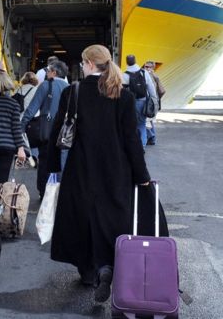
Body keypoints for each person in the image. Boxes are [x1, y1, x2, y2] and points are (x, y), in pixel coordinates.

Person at [46, 44, 151, 303]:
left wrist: (52, 167)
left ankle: (88, 271)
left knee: (82, 217)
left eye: (83, 63)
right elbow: (131, 140)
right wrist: (142, 175)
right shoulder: (122, 95)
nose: (82, 67)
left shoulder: (74, 92)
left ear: (90, 64)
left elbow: (57, 131)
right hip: (116, 170)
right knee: (112, 217)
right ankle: (108, 266)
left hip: (81, 168)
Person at [21, 61, 69, 199]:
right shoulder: (69, 87)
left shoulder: (46, 85)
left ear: (54, 72)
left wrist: (22, 126)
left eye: (48, 70)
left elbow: (32, 108)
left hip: (47, 132)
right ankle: (59, 193)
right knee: (61, 162)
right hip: (65, 133)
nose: (46, 72)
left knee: (45, 162)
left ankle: (44, 192)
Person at [0, 71, 26, 197]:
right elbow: (16, 128)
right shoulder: (13, 104)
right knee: (2, 183)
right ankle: (0, 211)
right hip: (7, 147)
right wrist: (21, 148)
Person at [122, 54, 158, 147]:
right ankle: (142, 146)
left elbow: (122, 91)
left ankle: (134, 144)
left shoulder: (125, 75)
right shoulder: (143, 72)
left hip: (131, 103)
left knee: (131, 124)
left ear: (127, 62)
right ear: (135, 61)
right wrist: (154, 100)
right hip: (143, 101)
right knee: (142, 124)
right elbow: (151, 87)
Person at [144, 61, 165, 145]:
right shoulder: (155, 77)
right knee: (150, 120)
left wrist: (155, 100)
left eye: (148, 67)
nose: (146, 68)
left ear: (153, 68)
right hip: (154, 102)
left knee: (146, 121)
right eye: (145, 66)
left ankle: (151, 137)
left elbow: (161, 91)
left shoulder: (151, 77)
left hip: (151, 102)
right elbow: (162, 91)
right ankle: (152, 138)